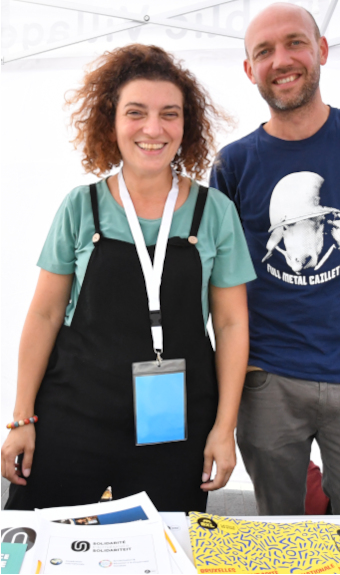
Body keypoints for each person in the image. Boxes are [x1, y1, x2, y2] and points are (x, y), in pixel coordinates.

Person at [0, 44, 255, 512]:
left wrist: (224, 428)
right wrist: (21, 419)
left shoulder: (214, 212)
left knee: (168, 550)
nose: (153, 129)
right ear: (111, 122)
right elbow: (44, 312)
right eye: (135, 113)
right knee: (42, 544)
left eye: (169, 114)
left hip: (175, 424)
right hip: (74, 417)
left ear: (187, 125)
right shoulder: (82, 206)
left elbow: (232, 324)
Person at [209, 3, 340, 516]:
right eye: (264, 52)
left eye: (295, 43)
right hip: (268, 381)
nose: (281, 60)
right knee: (284, 537)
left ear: (321, 50)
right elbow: (219, 281)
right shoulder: (233, 164)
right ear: (250, 71)